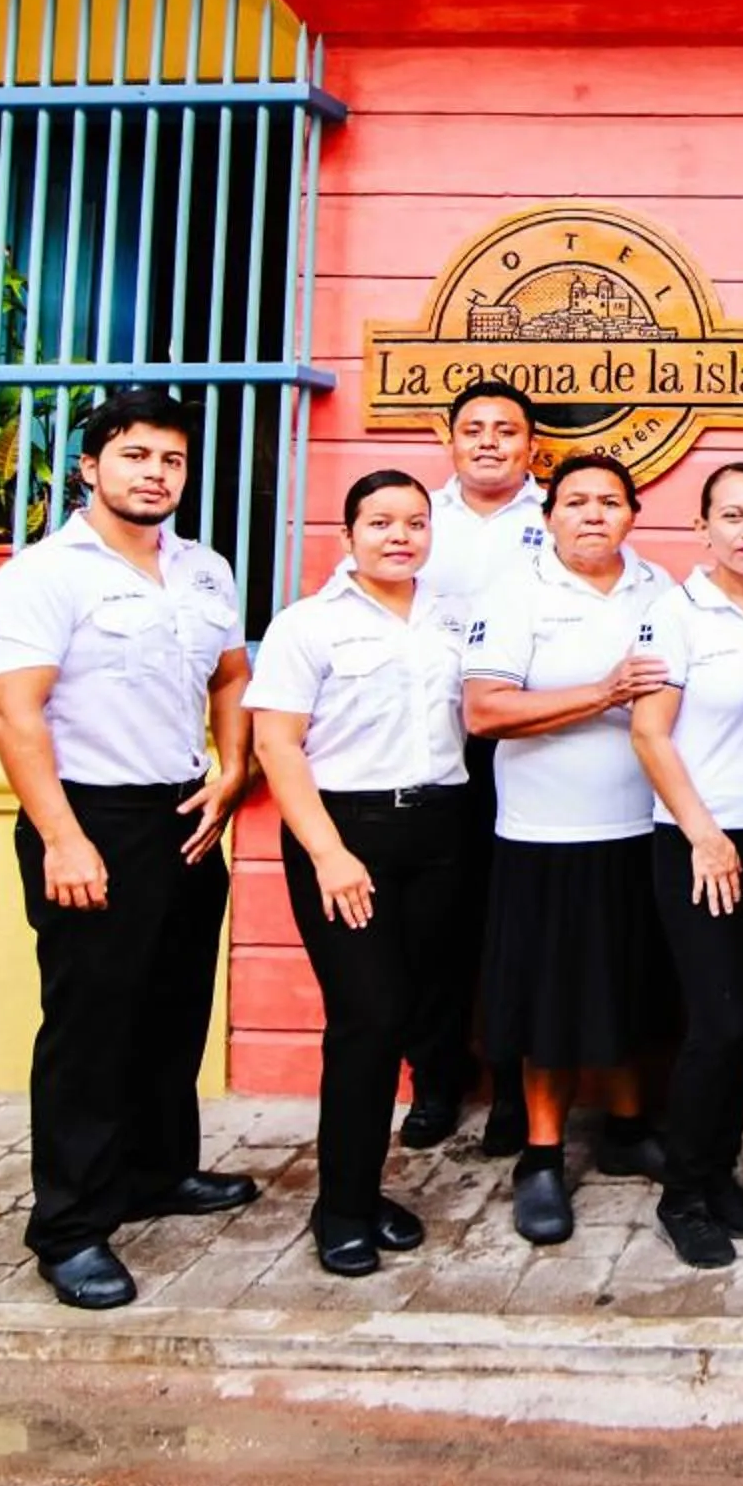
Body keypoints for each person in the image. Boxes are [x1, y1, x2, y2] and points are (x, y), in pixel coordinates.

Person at [0, 387, 259, 1310]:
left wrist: (230, 770)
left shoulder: (205, 571)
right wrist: (63, 838)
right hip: (91, 818)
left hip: (184, 814)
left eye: (172, 460)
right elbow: (14, 713)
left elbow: (230, 674)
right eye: (136, 456)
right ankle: (69, 1227)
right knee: (90, 1030)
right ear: (91, 465)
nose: (156, 474)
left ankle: (156, 1172)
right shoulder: (42, 575)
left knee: (172, 1011)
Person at [245, 469, 469, 1278]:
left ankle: (368, 1191)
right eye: (380, 522)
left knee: (409, 1014)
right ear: (348, 536)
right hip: (347, 835)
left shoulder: (450, 621)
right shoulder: (308, 627)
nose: (400, 535)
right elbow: (277, 747)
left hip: (439, 830)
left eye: (415, 522)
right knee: (366, 1021)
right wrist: (330, 853)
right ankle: (339, 1208)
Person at [459, 452, 675, 1248]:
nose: (593, 514)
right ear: (548, 516)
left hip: (641, 826)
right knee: (548, 1000)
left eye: (610, 502)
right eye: (576, 502)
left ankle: (624, 1130)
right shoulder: (516, 594)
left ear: (632, 514)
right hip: (546, 833)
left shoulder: (660, 590)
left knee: (623, 988)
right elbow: (485, 711)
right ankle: (543, 1156)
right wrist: (603, 694)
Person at [629, 463, 743, 1268]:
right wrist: (701, 832)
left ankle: (719, 1175)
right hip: (702, 843)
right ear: (703, 528)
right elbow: (650, 734)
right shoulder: (675, 614)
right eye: (731, 515)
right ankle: (684, 1196)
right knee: (719, 1022)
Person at [409, 378, 549, 1154]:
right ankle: (435, 1081)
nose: (490, 441)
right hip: (433, 742)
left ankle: (511, 1094)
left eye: (506, 429)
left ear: (532, 444)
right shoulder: (419, 518)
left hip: (526, 740)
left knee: (511, 920)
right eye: (474, 429)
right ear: (451, 440)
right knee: (438, 922)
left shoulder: (557, 519)